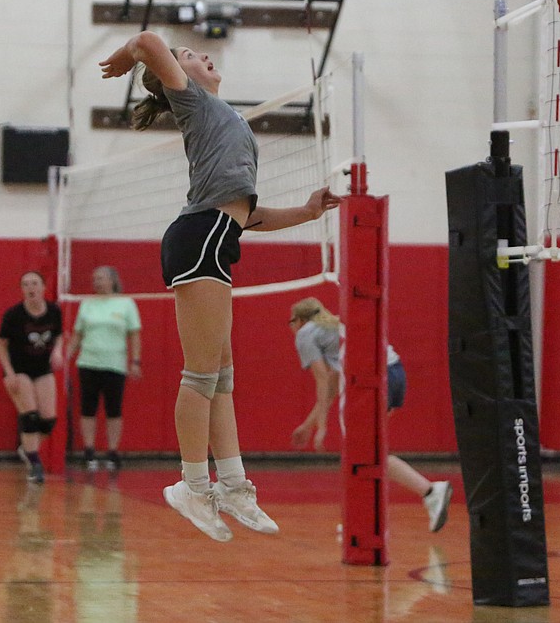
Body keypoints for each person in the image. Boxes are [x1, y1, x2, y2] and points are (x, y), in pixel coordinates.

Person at [99, 31, 342, 542]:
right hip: (200, 237)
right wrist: (128, 57)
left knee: (222, 375)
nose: (199, 56)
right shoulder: (193, 100)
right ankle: (191, 484)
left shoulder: (226, 121)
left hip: (220, 235)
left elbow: (250, 215)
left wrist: (308, 209)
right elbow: (147, 39)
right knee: (202, 375)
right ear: (177, 76)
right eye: (188, 55)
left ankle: (232, 485)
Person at [287, 297, 453, 532]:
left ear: (300, 320)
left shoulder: (305, 334)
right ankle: (370, 516)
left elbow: (322, 381)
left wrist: (322, 427)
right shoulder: (333, 328)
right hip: (395, 373)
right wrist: (309, 424)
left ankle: (427, 492)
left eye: (291, 322)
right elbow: (332, 386)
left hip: (371, 380)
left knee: (361, 453)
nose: (291, 328)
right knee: (369, 453)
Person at [65, 265, 142, 471]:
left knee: (113, 409)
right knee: (88, 408)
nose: (97, 282)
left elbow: (134, 334)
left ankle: (112, 452)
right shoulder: (87, 304)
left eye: (101, 278)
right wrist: (66, 355)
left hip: (114, 364)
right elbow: (77, 334)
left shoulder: (126, 304)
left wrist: (135, 361)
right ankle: (89, 452)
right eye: (95, 278)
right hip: (88, 362)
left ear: (112, 280)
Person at [0, 270, 65, 484]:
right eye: (25, 284)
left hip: (42, 368)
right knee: (31, 417)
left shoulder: (53, 311)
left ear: (43, 287)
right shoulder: (14, 315)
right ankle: (35, 465)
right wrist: (9, 373)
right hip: (19, 370)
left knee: (48, 420)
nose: (30, 288)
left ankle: (27, 449)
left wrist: (57, 351)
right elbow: (0, 344)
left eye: (34, 283)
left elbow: (60, 335)